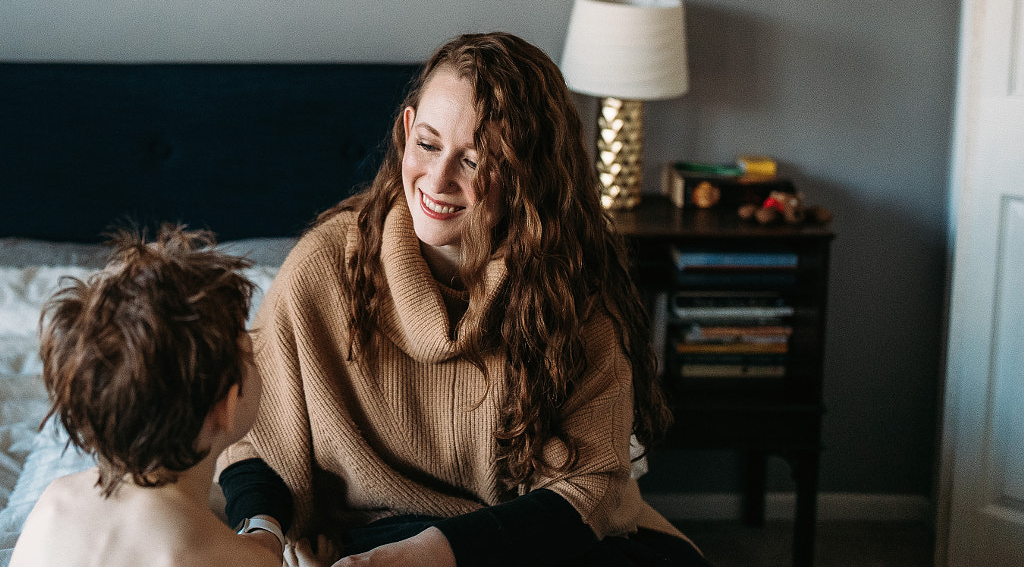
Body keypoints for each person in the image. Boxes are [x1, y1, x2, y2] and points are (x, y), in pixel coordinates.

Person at [218, 32, 711, 566]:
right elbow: (256, 443)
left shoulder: (570, 288)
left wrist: (428, 556)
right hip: (370, 544)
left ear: (529, 173)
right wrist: (260, 539)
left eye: (475, 161)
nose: (438, 178)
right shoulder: (325, 267)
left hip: (531, 543)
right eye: (428, 145)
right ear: (407, 131)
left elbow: (586, 491)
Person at [9, 225, 285, 567]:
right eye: (251, 355)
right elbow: (263, 555)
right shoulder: (226, 557)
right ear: (227, 406)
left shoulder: (54, 501)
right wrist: (266, 529)